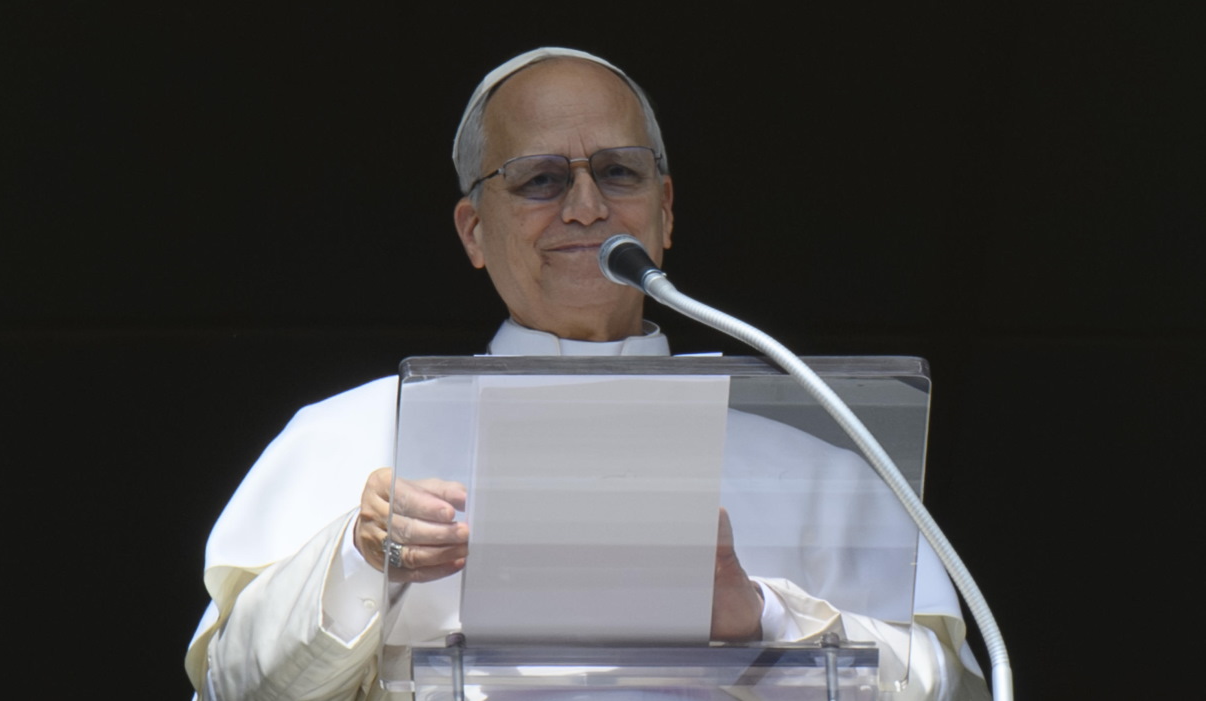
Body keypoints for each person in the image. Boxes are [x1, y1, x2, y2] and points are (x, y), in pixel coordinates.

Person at [187, 48, 990, 700]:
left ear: (665, 210)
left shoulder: (821, 467)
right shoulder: (356, 434)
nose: (584, 207)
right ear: (473, 230)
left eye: (618, 172)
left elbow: (952, 689)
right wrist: (359, 560)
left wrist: (762, 620)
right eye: (540, 179)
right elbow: (231, 686)